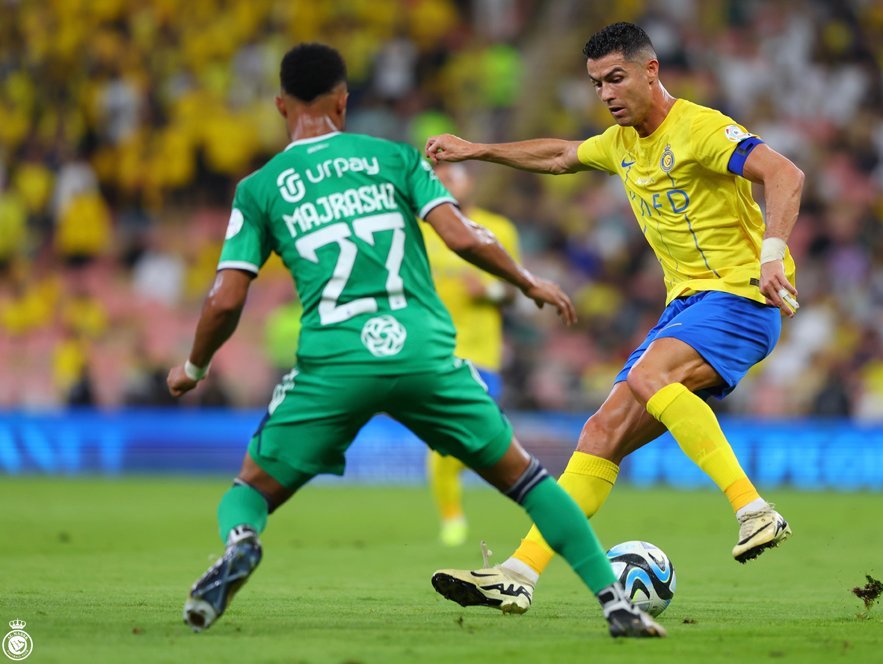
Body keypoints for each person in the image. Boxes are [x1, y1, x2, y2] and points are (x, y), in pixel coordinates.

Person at [166, 42, 664, 638]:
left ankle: (243, 541)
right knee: (530, 481)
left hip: (335, 361)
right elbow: (463, 238)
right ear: (343, 104)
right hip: (424, 352)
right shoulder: (395, 159)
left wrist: (194, 369)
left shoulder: (260, 188)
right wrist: (529, 283)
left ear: (280, 105)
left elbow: (225, 299)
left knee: (249, 489)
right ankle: (615, 604)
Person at [426, 22, 804, 614]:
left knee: (652, 378)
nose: (605, 93)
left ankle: (754, 510)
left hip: (740, 298)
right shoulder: (620, 144)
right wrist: (478, 151)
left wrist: (773, 254)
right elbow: (558, 155)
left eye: (616, 78)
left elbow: (786, 174)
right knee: (600, 434)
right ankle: (518, 573)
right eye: (597, 82)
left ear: (651, 71)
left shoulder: (700, 128)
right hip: (687, 307)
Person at [423, 162, 520, 547]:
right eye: (438, 180)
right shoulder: (420, 230)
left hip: (482, 353)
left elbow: (515, 288)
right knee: (442, 438)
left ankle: (507, 484)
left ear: (470, 183)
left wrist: (489, 291)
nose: (444, 185)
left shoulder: (499, 229)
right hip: (433, 349)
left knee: (472, 438)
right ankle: (452, 519)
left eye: (452, 178)